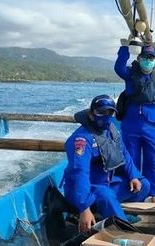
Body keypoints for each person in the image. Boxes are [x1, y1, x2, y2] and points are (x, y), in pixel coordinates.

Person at [60, 95, 150, 232]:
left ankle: (119, 215)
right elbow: (80, 173)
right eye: (101, 112)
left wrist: (133, 176)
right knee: (107, 196)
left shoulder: (111, 130)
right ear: (91, 114)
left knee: (143, 186)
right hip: (85, 189)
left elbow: (124, 153)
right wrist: (84, 207)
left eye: (110, 112)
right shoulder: (82, 140)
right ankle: (125, 230)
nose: (106, 116)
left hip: (107, 183)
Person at [114, 43, 155, 202]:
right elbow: (118, 67)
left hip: (151, 126)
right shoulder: (130, 74)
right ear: (139, 58)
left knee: (153, 160)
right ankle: (134, 193)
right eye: (145, 57)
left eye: (151, 58)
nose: (148, 60)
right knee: (131, 160)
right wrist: (125, 47)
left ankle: (154, 194)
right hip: (130, 125)